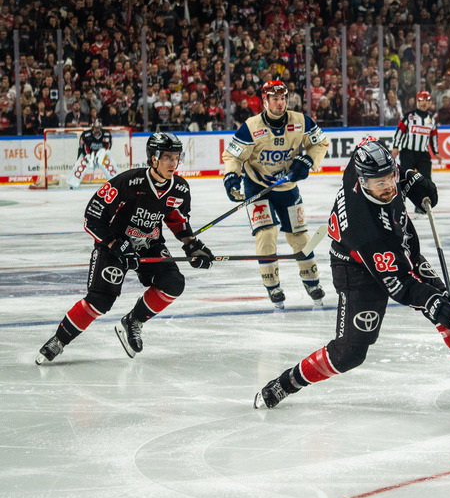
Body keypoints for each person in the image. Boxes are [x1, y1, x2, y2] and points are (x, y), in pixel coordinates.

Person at [254, 138, 450, 409]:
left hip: (398, 248)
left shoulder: (363, 166)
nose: (388, 186)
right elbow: (401, 286)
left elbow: (373, 150)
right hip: (356, 268)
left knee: (444, 303)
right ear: (363, 182)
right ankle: (286, 383)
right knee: (350, 353)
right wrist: (433, 304)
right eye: (380, 183)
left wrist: (410, 179)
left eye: (391, 177)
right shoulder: (365, 230)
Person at [35, 133, 214, 364]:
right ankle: (59, 340)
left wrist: (192, 245)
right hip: (115, 244)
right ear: (153, 158)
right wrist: (114, 244)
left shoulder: (179, 188)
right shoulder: (127, 183)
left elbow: (176, 218)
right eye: (167, 157)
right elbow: (92, 217)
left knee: (173, 283)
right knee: (100, 299)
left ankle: (134, 321)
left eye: (176, 158)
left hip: (150, 244)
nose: (173, 163)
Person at [222, 79, 330, 309]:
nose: (280, 103)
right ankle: (273, 286)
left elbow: (320, 143)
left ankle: (312, 281)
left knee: (300, 235)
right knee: (267, 233)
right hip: (257, 186)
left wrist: (308, 160)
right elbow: (232, 156)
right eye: (275, 99)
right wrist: (231, 177)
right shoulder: (251, 126)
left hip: (287, 187)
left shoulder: (300, 121)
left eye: (283, 98)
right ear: (265, 101)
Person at [391, 90, 439, 213]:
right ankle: (401, 206)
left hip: (423, 154)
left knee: (426, 180)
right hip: (408, 153)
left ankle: (421, 206)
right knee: (404, 179)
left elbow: (433, 137)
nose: (424, 103)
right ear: (417, 102)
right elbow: (399, 132)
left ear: (429, 103)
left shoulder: (431, 120)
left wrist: (436, 152)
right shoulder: (409, 116)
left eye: (427, 100)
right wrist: (395, 146)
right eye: (421, 100)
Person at [67, 120, 117, 189]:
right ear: (92, 128)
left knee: (109, 165)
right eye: (95, 128)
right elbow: (83, 146)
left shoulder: (107, 134)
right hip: (89, 154)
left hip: (101, 153)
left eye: (98, 128)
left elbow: (108, 145)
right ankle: (72, 184)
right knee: (81, 165)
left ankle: (117, 183)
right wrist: (87, 155)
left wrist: (104, 152)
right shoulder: (86, 134)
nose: (97, 130)